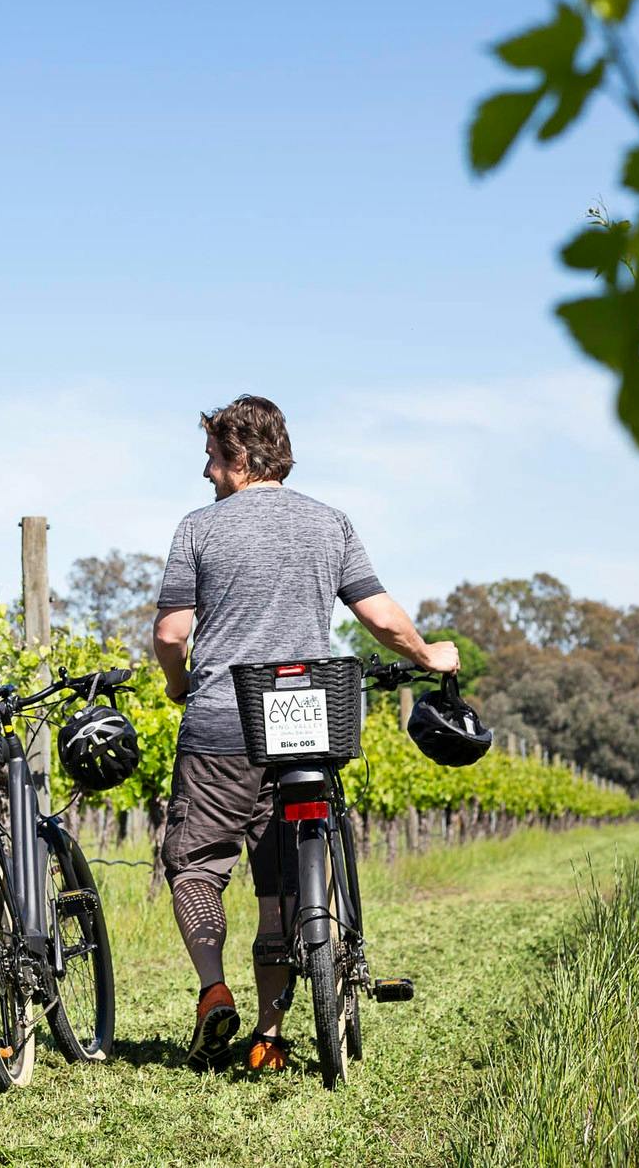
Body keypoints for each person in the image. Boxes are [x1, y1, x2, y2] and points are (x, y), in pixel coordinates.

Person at [151, 395, 460, 1074]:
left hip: (220, 729)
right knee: (281, 888)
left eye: (210, 458)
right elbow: (381, 618)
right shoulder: (331, 524)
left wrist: (179, 684)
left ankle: (213, 991)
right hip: (306, 724)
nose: (205, 473)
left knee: (197, 865)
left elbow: (172, 633)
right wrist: (427, 655)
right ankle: (268, 1035)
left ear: (236, 456)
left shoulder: (198, 529)